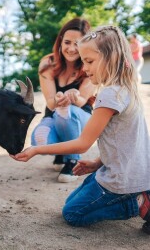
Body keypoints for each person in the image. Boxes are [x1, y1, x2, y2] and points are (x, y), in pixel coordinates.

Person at [10, 25, 150, 234]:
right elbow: (125, 142)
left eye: (90, 61)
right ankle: (135, 193)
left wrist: (36, 150)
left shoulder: (109, 95)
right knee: (72, 200)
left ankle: (139, 203)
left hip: (121, 179)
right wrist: (96, 163)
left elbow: (83, 143)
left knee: (73, 213)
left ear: (110, 58)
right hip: (130, 172)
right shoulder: (126, 89)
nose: (84, 68)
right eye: (83, 61)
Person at [31, 17, 96, 183]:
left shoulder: (91, 63)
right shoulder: (48, 62)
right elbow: (51, 103)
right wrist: (59, 98)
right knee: (40, 138)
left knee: (67, 111)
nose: (72, 48)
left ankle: (73, 160)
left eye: (78, 43)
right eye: (67, 42)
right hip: (53, 114)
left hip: (81, 117)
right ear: (60, 42)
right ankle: (61, 152)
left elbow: (82, 102)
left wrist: (74, 97)